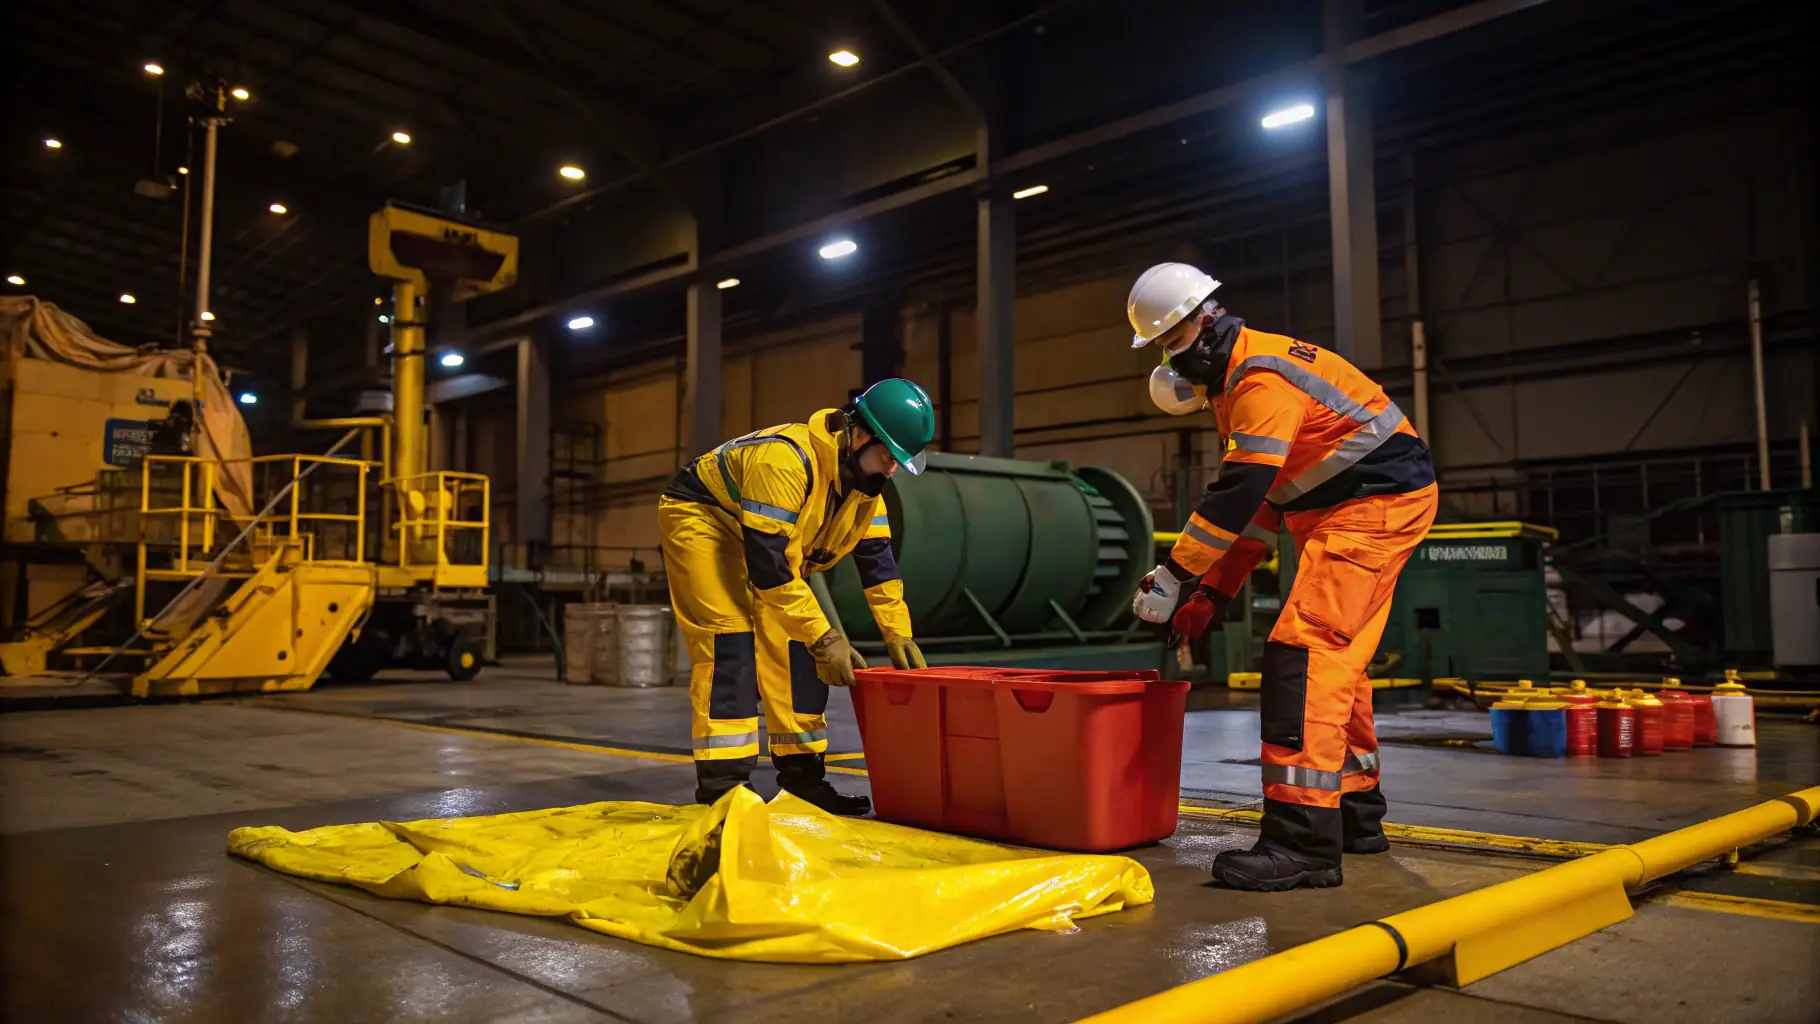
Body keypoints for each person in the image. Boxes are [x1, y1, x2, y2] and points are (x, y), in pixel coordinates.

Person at [1126, 262, 1438, 892]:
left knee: (1305, 654)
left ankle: (1302, 843)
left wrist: (1176, 573)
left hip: (1370, 507)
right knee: (1338, 665)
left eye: (1172, 341)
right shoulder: (1240, 379)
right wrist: (1212, 592)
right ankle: (1354, 814)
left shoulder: (1258, 381)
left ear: (1205, 320)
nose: (1171, 358)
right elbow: (1264, 510)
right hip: (1354, 507)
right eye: (1162, 347)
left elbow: (1238, 494)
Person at [658, 378, 935, 815]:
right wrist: (825, 637)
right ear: (859, 434)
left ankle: (804, 785)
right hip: (705, 519)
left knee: (796, 651)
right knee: (730, 642)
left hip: (768, 546)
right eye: (888, 455)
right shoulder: (784, 462)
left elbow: (879, 567)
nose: (892, 468)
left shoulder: (866, 493)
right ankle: (723, 793)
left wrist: (899, 635)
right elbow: (769, 569)